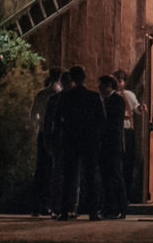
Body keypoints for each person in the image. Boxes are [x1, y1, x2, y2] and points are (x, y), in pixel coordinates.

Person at [55, 64, 107, 221]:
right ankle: (92, 211)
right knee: (90, 177)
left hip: (71, 139)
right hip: (88, 140)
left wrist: (62, 134)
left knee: (69, 176)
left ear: (71, 78)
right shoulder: (93, 96)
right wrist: (97, 138)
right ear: (84, 77)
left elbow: (58, 119)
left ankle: (64, 211)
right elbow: (102, 119)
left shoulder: (65, 97)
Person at [31, 67, 63, 217]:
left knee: (41, 169)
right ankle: (49, 204)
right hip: (54, 135)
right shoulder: (58, 94)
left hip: (43, 133)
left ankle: (38, 204)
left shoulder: (42, 93)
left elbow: (34, 115)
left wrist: (36, 130)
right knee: (53, 170)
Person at [98, 74, 129, 219]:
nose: (100, 87)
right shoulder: (101, 100)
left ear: (109, 85)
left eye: (102, 85)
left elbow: (114, 122)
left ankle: (121, 207)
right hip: (103, 144)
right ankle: (108, 207)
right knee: (105, 177)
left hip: (113, 144)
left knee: (116, 176)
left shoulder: (117, 100)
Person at [113, 69, 141, 200]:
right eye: (117, 80)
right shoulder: (110, 96)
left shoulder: (128, 95)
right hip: (115, 131)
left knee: (128, 162)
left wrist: (142, 108)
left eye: (121, 80)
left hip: (127, 131)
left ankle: (127, 193)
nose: (119, 83)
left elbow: (137, 109)